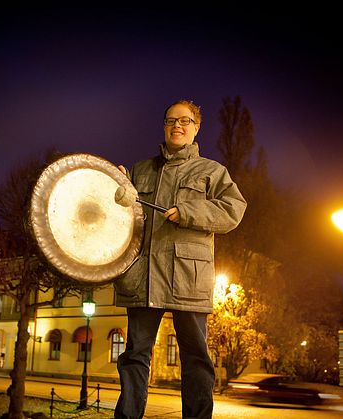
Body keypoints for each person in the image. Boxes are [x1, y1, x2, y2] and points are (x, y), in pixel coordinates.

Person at [114, 99, 247, 419]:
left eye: (185, 121)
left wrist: (188, 212)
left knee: (196, 357)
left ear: (196, 127)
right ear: (164, 125)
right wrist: (115, 187)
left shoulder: (212, 171)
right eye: (172, 120)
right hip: (142, 276)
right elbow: (119, 216)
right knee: (134, 356)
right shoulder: (140, 170)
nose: (178, 125)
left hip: (188, 275)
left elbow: (233, 211)